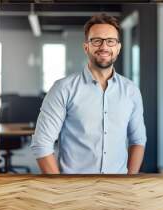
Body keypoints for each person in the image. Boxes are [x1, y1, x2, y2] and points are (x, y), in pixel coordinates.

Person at [31, 13, 146, 174]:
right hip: (75, 190)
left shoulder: (131, 91)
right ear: (86, 47)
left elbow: (138, 140)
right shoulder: (63, 89)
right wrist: (60, 189)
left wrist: (129, 181)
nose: (104, 47)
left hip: (118, 190)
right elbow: (42, 143)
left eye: (111, 41)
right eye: (96, 40)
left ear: (118, 48)